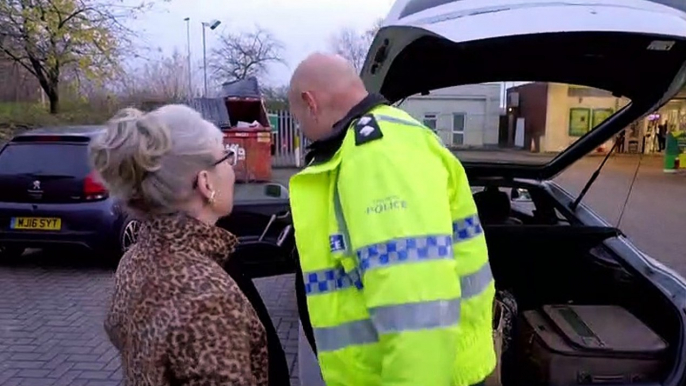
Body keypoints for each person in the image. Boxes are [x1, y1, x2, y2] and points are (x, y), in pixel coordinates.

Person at [287, 53, 496, 386]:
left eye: (299, 120)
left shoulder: (377, 154)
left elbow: (416, 308)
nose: (304, 131)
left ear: (309, 102)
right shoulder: (384, 143)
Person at [91, 105, 269, 386]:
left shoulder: (134, 258)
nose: (232, 170)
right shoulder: (209, 297)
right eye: (226, 157)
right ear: (205, 182)